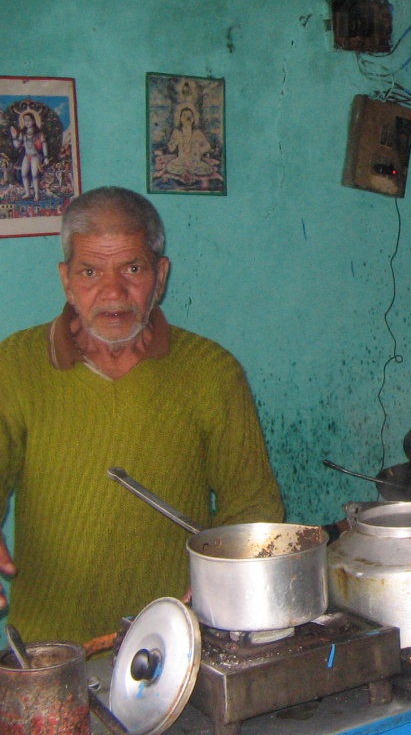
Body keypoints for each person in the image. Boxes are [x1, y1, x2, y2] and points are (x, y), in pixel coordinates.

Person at [0, 186, 284, 643]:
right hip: (49, 651)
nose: (113, 292)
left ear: (161, 275)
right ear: (66, 280)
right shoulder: (15, 364)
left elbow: (253, 505)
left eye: (132, 269)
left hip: (175, 642)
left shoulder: (212, 371)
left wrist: (228, 577)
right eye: (90, 271)